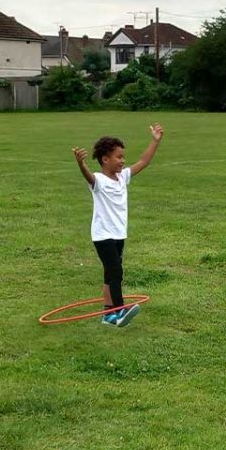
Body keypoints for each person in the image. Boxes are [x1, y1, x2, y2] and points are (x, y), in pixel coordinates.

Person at [73, 124, 164, 326]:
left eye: (123, 157)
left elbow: (144, 161)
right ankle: (120, 310)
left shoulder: (123, 177)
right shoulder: (98, 180)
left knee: (109, 273)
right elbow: (87, 176)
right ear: (105, 160)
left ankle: (108, 314)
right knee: (116, 271)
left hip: (118, 234)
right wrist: (81, 163)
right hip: (103, 235)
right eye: (118, 157)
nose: (123, 161)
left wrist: (155, 141)